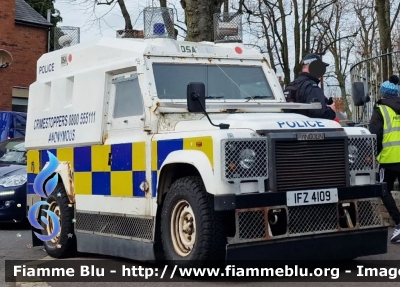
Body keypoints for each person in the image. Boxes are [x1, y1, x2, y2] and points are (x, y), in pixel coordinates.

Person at [369, 78, 400, 243]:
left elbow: (375, 135)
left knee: (384, 190)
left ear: (383, 94)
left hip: (388, 159)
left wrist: (375, 155)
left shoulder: (380, 110)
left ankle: (399, 223)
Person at [283, 53, 336, 120]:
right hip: (308, 129)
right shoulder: (311, 86)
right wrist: (331, 110)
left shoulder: (291, 86)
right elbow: (320, 115)